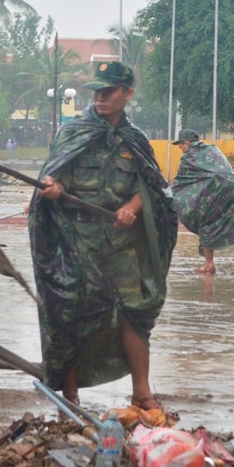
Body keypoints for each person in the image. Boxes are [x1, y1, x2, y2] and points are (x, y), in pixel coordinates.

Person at [29, 61, 177, 409]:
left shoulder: (136, 140)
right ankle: (70, 396)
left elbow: (154, 189)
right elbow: (55, 178)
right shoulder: (73, 132)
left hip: (120, 243)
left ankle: (142, 392)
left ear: (128, 94)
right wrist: (52, 188)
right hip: (75, 239)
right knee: (70, 313)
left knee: (134, 312)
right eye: (96, 91)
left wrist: (133, 208)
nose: (99, 97)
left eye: (108, 91)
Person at [171, 128, 234, 274]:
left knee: (205, 222)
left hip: (212, 192)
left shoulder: (188, 156)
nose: (180, 148)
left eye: (181, 144)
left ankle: (209, 264)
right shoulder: (213, 149)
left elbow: (182, 180)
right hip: (233, 186)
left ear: (187, 143)